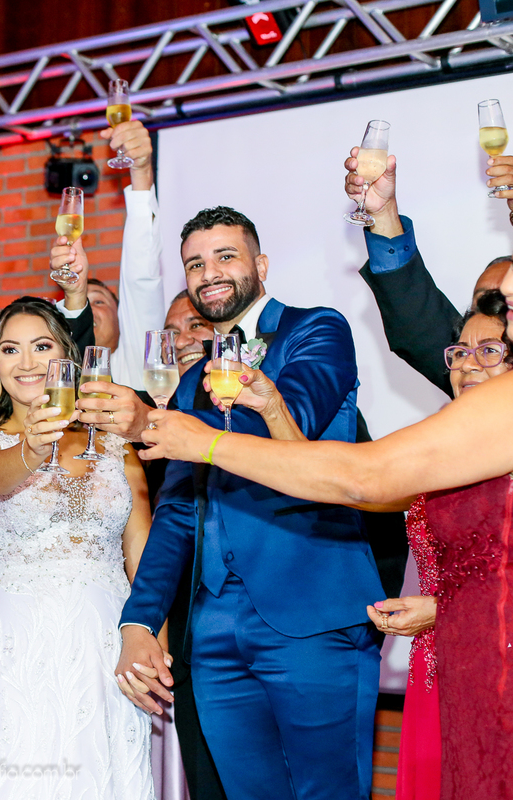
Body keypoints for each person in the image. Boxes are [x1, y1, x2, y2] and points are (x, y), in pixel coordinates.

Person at [142, 201, 513, 800]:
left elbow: (365, 479)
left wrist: (203, 441)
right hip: (467, 650)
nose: (510, 285)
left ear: (262, 264)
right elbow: (385, 499)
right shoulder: (194, 378)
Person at [116, 206, 384, 800]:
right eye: (194, 264)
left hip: (312, 612)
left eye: (225, 256)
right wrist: (140, 621)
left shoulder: (317, 329)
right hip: (214, 628)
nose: (209, 272)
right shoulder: (191, 383)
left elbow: (295, 428)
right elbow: (178, 511)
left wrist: (160, 425)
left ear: (260, 265)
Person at [214, 288, 513, 800]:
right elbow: (343, 486)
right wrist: (272, 407)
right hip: (440, 664)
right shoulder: (440, 450)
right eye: (459, 352)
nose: (468, 365)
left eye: (489, 351)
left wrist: (445, 607)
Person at [0, 297, 154, 799]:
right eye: (10, 349)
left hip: (110, 641)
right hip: (23, 644)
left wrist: (154, 640)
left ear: (68, 358)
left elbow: (145, 559)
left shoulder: (113, 445)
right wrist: (30, 448)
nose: (26, 362)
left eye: (41, 346)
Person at [347, 148, 513, 396]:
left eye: (490, 350)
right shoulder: (465, 367)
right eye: (480, 304)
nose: (468, 364)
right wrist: (383, 213)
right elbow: (418, 320)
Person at [48, 118, 166, 390]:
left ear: (122, 317)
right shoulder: (54, 377)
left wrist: (141, 172)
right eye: (83, 303)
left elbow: (141, 275)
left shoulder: (136, 361)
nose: (87, 310)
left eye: (98, 302)